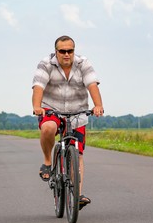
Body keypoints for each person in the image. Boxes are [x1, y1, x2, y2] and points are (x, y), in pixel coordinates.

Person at [32, 35, 104, 209]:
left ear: (74, 51)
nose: (66, 54)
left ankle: (77, 195)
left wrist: (98, 105)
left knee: (77, 153)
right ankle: (48, 162)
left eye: (70, 51)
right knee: (48, 128)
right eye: (62, 51)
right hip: (52, 109)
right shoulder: (46, 64)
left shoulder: (82, 64)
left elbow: (92, 84)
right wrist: (37, 106)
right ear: (56, 51)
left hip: (76, 111)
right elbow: (38, 87)